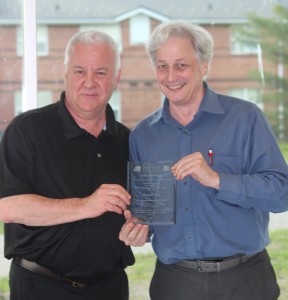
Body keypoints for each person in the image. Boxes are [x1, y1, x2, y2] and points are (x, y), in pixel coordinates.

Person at [119, 20, 288, 300]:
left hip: (245, 281)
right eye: (162, 66)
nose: (171, 76)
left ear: (204, 64)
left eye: (181, 65)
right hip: (174, 283)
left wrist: (217, 179)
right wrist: (139, 227)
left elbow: (282, 194)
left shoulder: (245, 119)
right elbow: (148, 211)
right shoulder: (142, 135)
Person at [0, 30, 134, 300]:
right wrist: (87, 205)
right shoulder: (28, 130)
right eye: (79, 71)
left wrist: (140, 224)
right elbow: (7, 207)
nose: (89, 82)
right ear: (64, 72)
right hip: (41, 288)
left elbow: (137, 207)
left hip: (111, 288)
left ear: (116, 78)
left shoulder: (127, 140)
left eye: (101, 72)